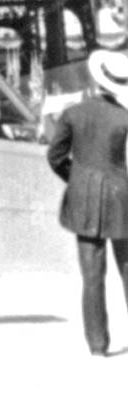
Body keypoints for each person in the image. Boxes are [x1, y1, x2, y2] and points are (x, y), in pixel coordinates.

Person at [47, 49, 128, 357]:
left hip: (84, 200)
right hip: (122, 197)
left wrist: (77, 179)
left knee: (92, 275)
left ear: (95, 79)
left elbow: (55, 157)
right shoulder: (124, 116)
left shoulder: (72, 113)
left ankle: (98, 345)